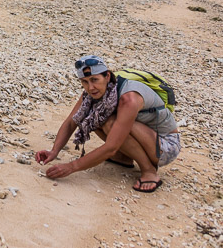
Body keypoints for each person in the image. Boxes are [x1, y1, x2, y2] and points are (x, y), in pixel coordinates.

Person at [34, 55, 180, 193]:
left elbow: (111, 147)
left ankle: (149, 171)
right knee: (95, 116)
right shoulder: (93, 93)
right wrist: (54, 151)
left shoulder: (129, 98)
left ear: (107, 76)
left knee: (111, 123)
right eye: (85, 82)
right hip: (146, 138)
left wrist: (72, 167)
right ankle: (124, 158)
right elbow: (71, 122)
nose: (90, 87)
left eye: (94, 80)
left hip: (165, 147)